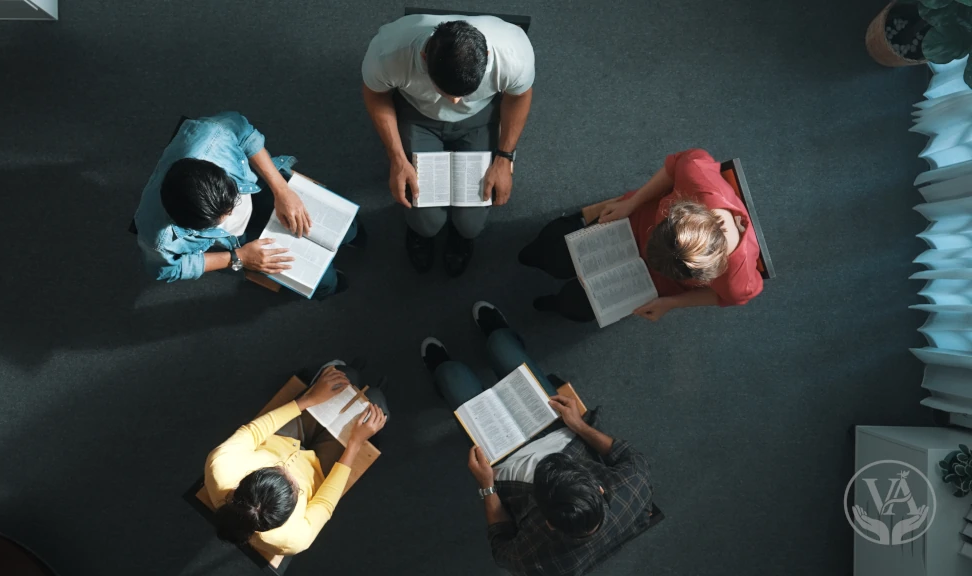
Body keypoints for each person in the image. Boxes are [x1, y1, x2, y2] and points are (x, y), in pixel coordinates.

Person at [421, 301, 654, 576]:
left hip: (504, 462)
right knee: (500, 345)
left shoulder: (535, 562)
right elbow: (626, 455)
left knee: (452, 375)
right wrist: (578, 425)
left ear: (550, 524)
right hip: (563, 431)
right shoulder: (634, 486)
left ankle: (446, 377)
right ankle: (500, 338)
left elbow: (501, 546)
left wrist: (486, 486)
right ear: (600, 490)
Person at [361, 14, 535, 276]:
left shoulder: (513, 54)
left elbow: (519, 96)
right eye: (446, 92)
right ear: (423, 58)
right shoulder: (389, 52)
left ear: (487, 54)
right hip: (418, 116)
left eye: (462, 94)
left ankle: (460, 237)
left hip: (480, 119)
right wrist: (397, 157)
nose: (454, 103)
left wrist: (505, 157)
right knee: (426, 221)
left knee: (470, 225)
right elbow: (375, 94)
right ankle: (420, 234)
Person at [133, 111, 364, 298]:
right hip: (241, 244)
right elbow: (169, 269)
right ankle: (330, 287)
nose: (235, 213)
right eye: (222, 219)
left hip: (258, 190)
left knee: (347, 227)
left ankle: (352, 236)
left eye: (232, 202)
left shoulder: (214, 135)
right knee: (323, 283)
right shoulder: (158, 239)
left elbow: (246, 135)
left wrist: (281, 190)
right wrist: (238, 257)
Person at [519, 148, 765, 322]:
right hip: (633, 221)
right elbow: (673, 167)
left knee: (576, 306)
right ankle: (540, 252)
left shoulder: (737, 282)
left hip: (655, 281)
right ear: (683, 210)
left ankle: (557, 304)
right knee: (553, 255)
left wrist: (670, 303)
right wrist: (632, 203)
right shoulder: (696, 176)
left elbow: (722, 297)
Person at [204, 364, 387, 556]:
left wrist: (308, 400)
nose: (288, 470)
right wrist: (355, 444)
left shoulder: (221, 465)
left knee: (344, 376)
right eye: (297, 489)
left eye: (275, 468)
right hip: (317, 471)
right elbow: (324, 504)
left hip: (282, 438)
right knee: (375, 402)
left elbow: (254, 432)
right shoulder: (292, 541)